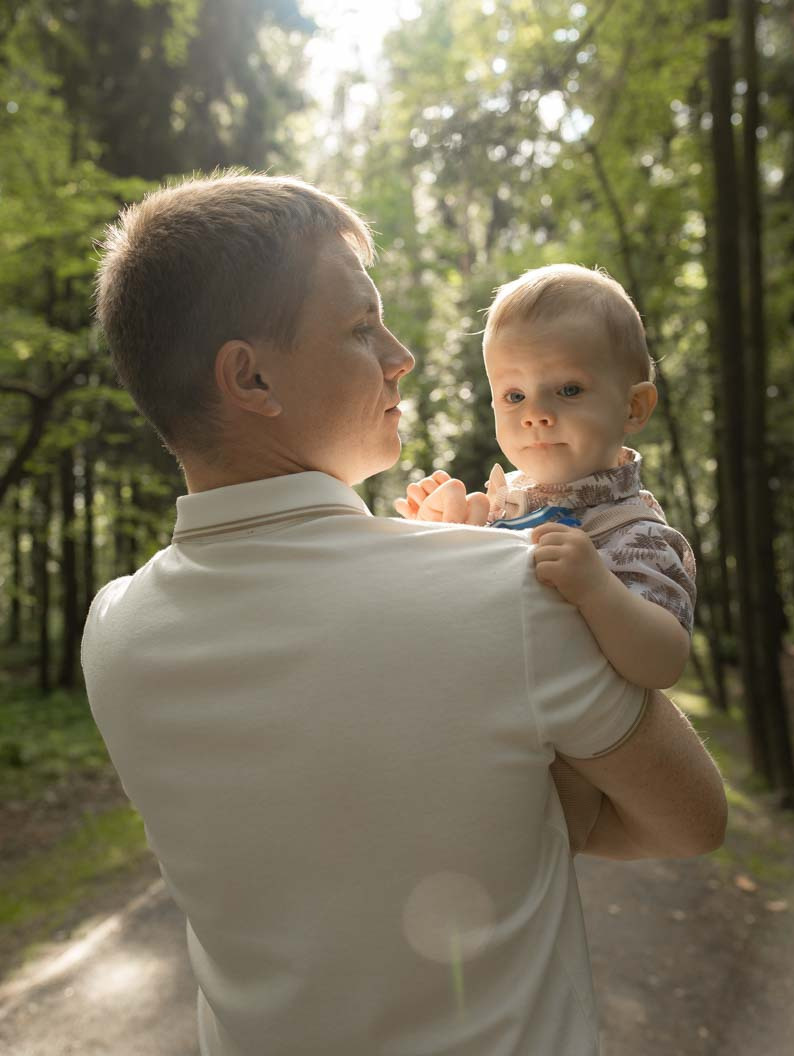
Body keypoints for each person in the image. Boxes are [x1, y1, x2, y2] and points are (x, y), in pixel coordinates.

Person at [81, 171, 727, 1056]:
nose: (401, 354)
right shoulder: (510, 588)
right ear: (251, 375)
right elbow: (691, 820)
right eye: (358, 327)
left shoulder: (114, 632)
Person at [395, 265, 695, 693]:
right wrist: (442, 531)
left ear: (634, 408)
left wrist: (597, 590)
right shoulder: (502, 505)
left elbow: (664, 664)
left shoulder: (635, 533)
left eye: (569, 389)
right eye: (514, 396)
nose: (536, 413)